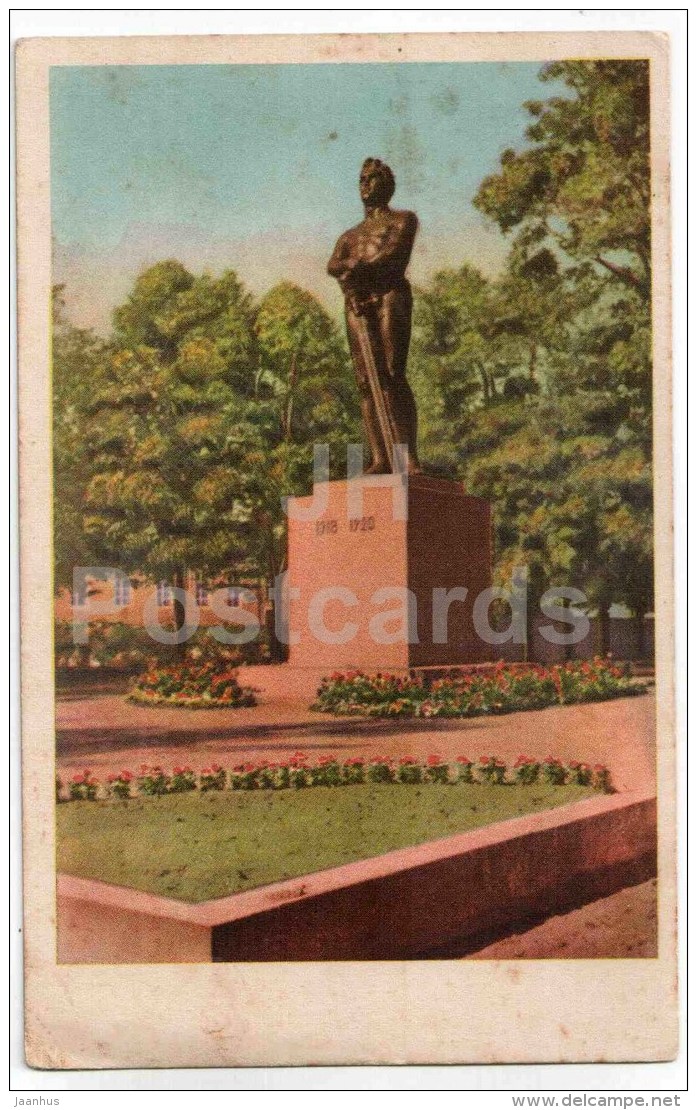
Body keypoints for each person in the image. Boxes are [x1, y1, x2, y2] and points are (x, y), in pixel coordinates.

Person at [327, 157, 421, 474]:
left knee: (393, 373)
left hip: (389, 295)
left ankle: (407, 457)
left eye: (371, 178)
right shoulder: (350, 235)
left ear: (387, 184)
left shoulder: (403, 220)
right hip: (357, 301)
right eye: (361, 179)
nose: (365, 185)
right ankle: (380, 458)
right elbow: (332, 265)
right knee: (366, 381)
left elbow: (394, 257)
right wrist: (351, 274)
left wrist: (356, 268)